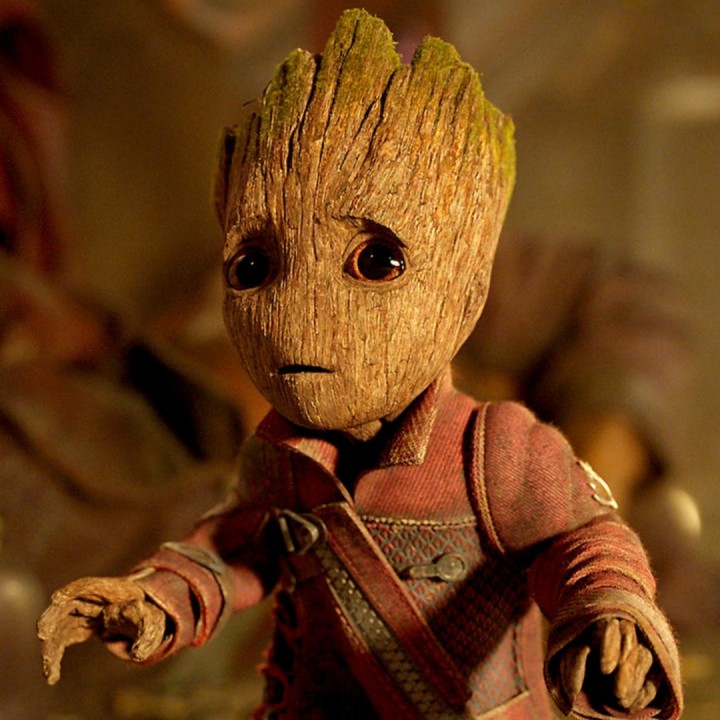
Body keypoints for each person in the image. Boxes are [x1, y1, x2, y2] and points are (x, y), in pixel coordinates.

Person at [38, 11, 682, 719]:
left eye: (376, 263)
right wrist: (158, 600)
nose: (298, 314)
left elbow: (584, 538)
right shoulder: (273, 450)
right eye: (253, 269)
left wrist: (606, 601)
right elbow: (234, 548)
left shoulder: (494, 441)